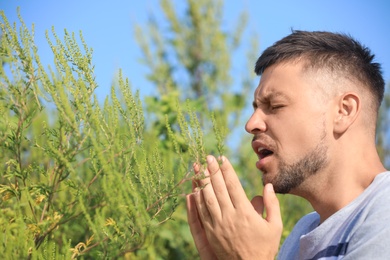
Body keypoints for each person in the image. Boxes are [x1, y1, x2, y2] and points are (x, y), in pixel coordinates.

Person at [186, 30, 389, 259]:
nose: (251, 124)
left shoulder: (384, 211)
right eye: (255, 108)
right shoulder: (303, 234)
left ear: (344, 111)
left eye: (275, 106)